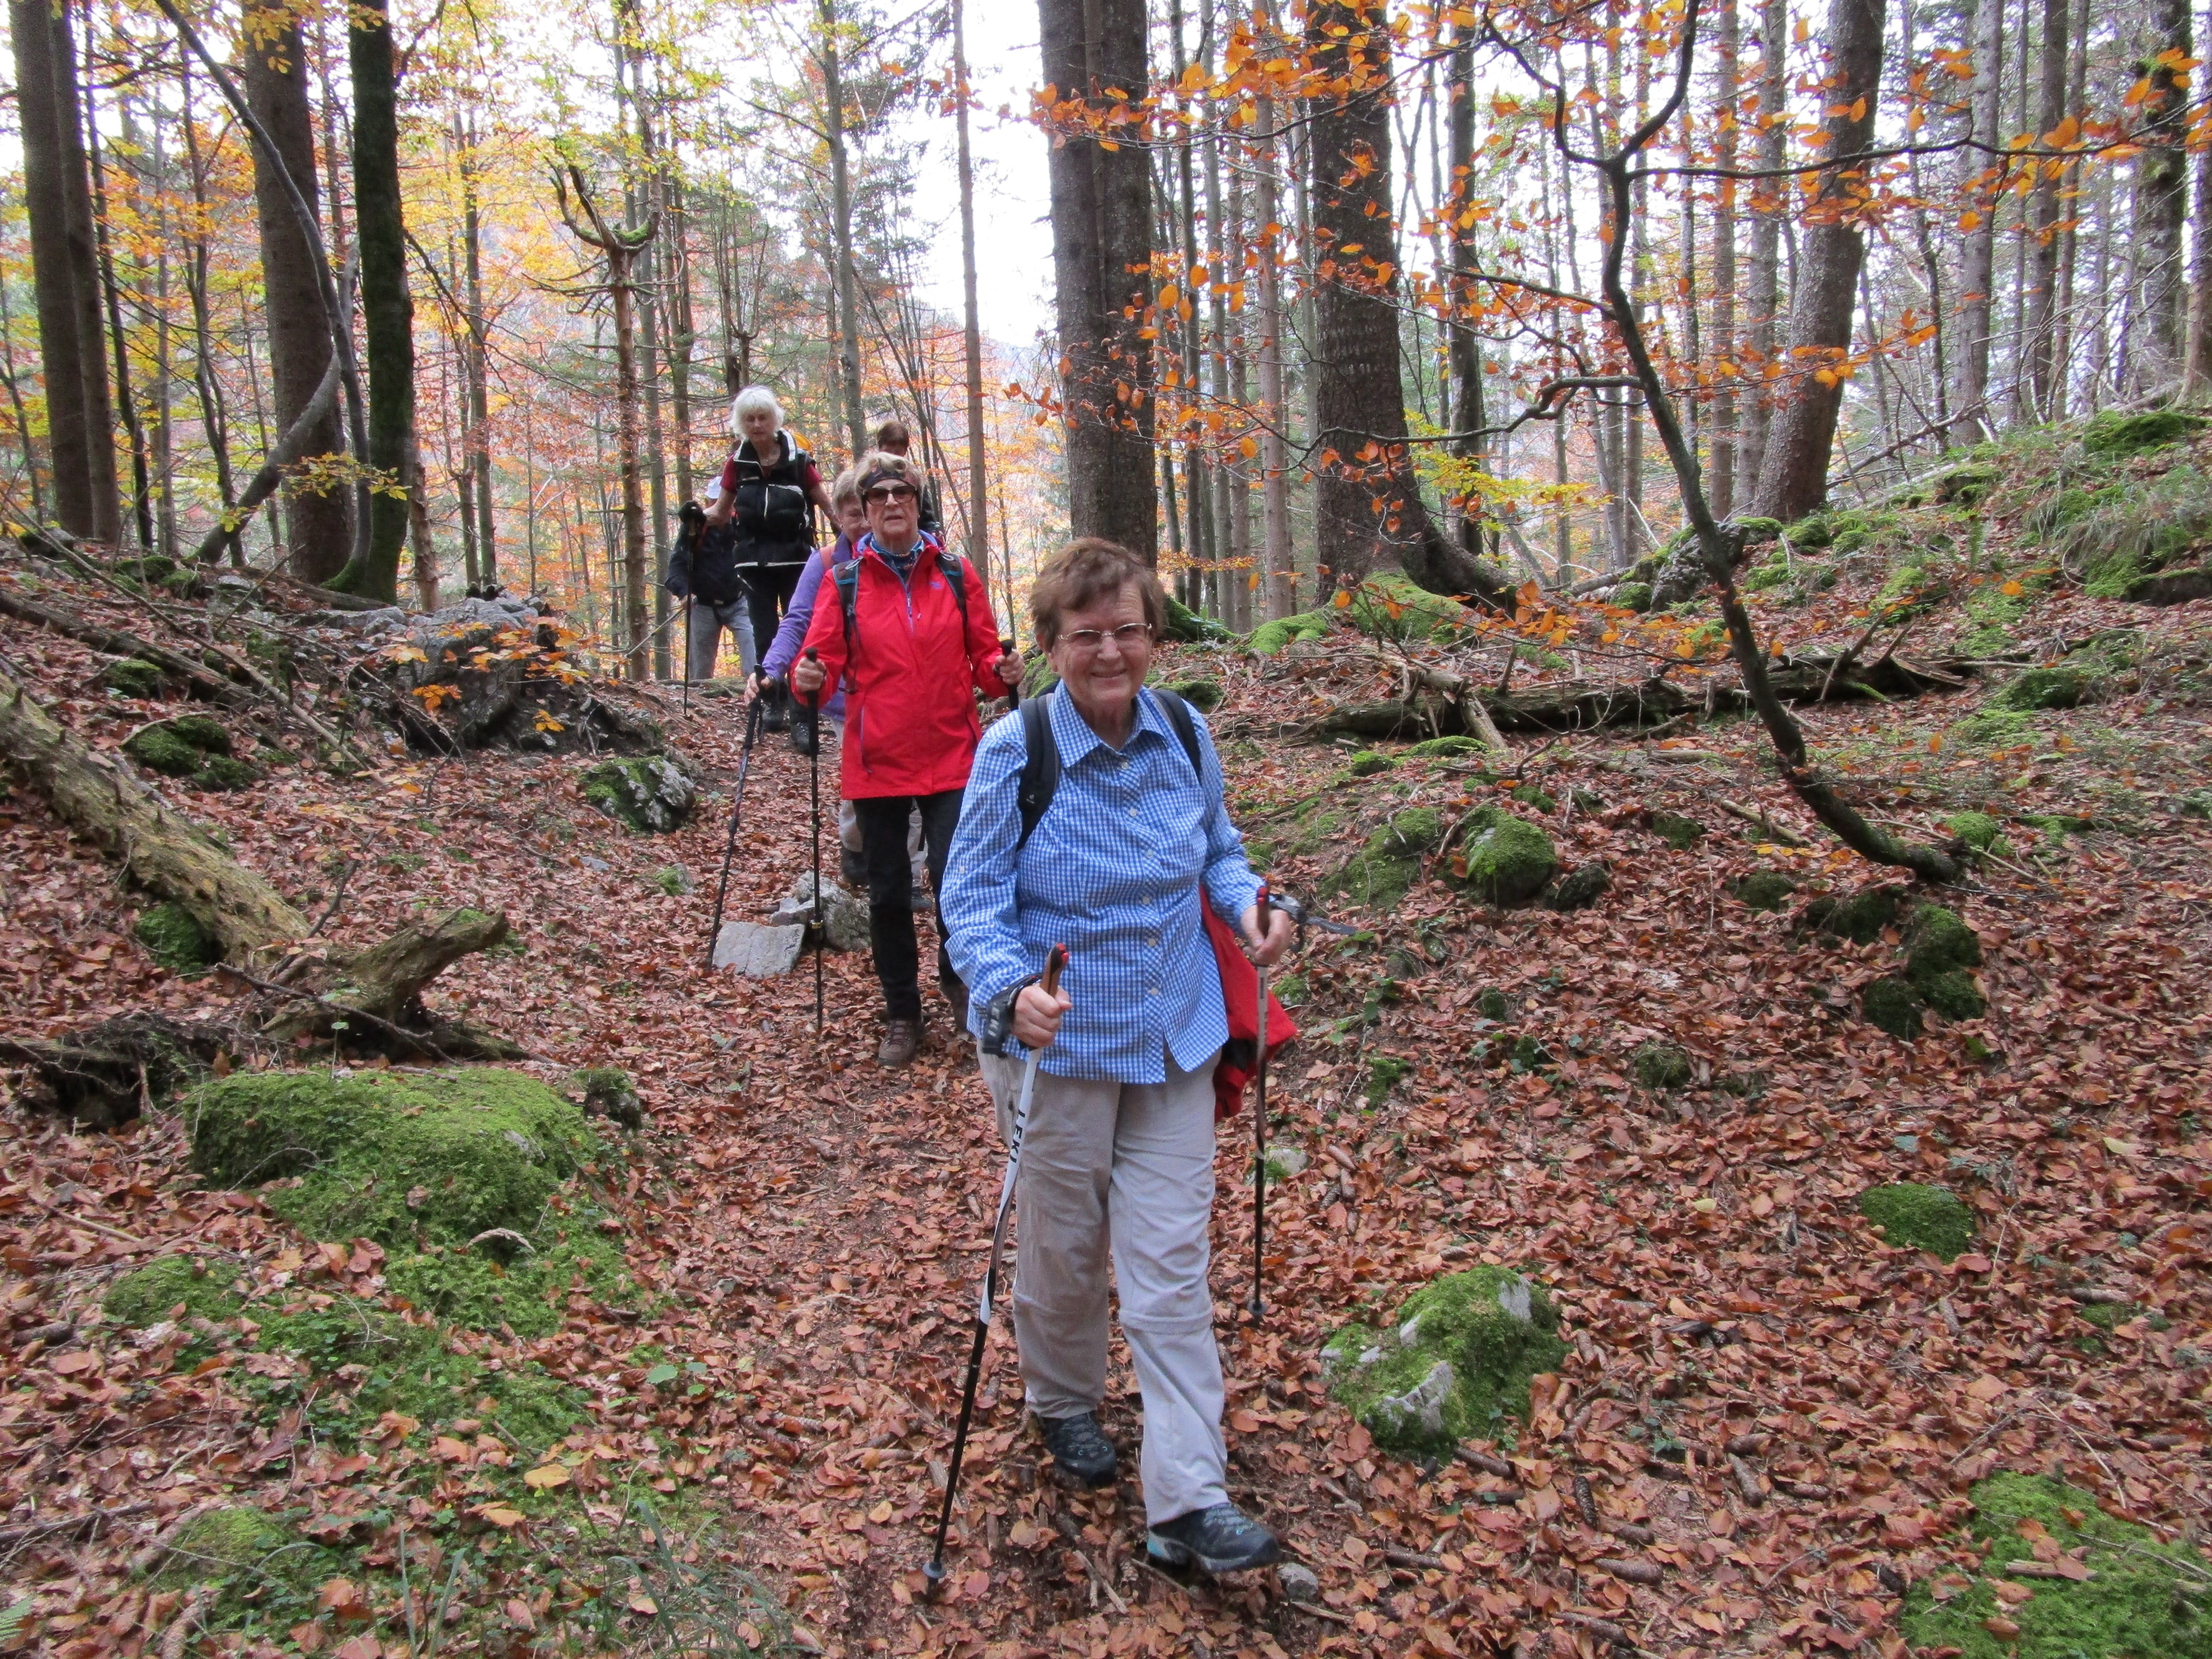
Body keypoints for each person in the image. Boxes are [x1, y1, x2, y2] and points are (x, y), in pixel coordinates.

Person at [938, 537, 1294, 1576]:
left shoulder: (1183, 729)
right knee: (1063, 1248)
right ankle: (1060, 1399)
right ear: (1050, 645)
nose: (1109, 652)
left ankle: (1188, 1501)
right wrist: (1009, 988)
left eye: (1127, 631)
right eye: (1085, 634)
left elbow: (1219, 850)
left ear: (1154, 637)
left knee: (1171, 1267)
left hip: (1174, 1037)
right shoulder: (1015, 750)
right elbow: (970, 900)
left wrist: (1251, 907)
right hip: (1059, 1050)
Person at [790, 452, 1014, 1067]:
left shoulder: (955, 573)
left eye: (903, 493)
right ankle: (901, 1012)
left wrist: (1002, 669)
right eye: (879, 495)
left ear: (918, 503)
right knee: (888, 893)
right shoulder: (845, 581)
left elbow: (986, 665)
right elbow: (819, 668)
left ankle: (961, 986)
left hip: (953, 754)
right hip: (878, 759)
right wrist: (805, 678)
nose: (892, 503)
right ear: (863, 510)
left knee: (957, 881)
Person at [752, 468, 927, 899]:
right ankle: (855, 844)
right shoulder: (828, 563)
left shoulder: (914, 555)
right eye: (853, 516)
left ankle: (908, 876)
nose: (865, 524)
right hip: (846, 700)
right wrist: (772, 669)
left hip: (902, 698)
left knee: (913, 789)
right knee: (862, 788)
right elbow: (798, 620)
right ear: (841, 517)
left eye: (866, 514)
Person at [707, 386, 836, 671]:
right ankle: (769, 693)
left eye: (763, 418)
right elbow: (719, 513)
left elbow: (830, 509)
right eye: (750, 419)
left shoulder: (799, 462)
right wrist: (695, 517)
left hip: (796, 560)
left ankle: (800, 693)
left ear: (774, 419)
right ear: (742, 423)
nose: (757, 425)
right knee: (764, 636)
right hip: (754, 563)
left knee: (800, 630)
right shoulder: (737, 465)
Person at [666, 496, 753, 681]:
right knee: (701, 674)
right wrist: (684, 593)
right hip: (703, 605)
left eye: (724, 503)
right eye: (714, 502)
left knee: (754, 661)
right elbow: (677, 566)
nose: (719, 508)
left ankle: (757, 694)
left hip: (739, 601)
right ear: (707, 503)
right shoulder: (695, 530)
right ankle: (700, 698)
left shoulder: (741, 525)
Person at [867, 417, 942, 538]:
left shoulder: (912, 479)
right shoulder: (869, 478)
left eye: (897, 453)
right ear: (880, 449)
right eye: (888, 452)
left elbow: (926, 517)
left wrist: (932, 531)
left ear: (904, 453)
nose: (892, 458)